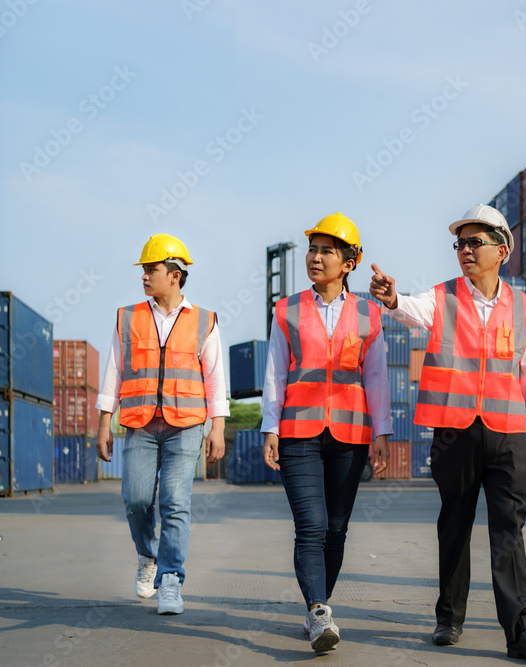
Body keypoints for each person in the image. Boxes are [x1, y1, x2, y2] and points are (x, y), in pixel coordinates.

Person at [369, 204, 526, 661]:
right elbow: (410, 311)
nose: (465, 250)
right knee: (454, 523)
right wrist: (392, 298)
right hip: (455, 433)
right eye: (460, 243)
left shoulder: (523, 306)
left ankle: (521, 632)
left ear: (502, 250)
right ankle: (449, 617)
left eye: (475, 242)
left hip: (509, 432)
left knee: (508, 532)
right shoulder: (442, 297)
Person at [260, 213, 390, 653]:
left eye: (326, 251)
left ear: (349, 263)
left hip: (351, 434)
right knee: (311, 525)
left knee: (336, 528)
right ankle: (318, 612)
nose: (314, 258)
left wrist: (383, 432)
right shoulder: (288, 309)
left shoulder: (370, 314)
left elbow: (376, 377)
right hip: (298, 431)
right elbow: (276, 371)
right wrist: (269, 426)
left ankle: (319, 605)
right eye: (312, 250)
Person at [95, 233, 228, 615]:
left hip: (185, 425)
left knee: (175, 502)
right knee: (136, 499)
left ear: (175, 274)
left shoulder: (204, 320)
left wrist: (217, 426)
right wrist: (104, 424)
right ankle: (147, 556)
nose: (144, 276)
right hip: (138, 425)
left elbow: (216, 378)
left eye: (151, 269)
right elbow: (114, 373)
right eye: (144, 270)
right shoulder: (128, 317)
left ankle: (170, 580)